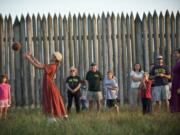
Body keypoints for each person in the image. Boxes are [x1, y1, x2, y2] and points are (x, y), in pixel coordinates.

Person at [23, 51, 68, 122]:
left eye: (53, 55)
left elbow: (37, 66)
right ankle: (59, 116)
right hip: (49, 85)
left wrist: (28, 58)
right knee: (53, 100)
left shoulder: (52, 66)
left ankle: (53, 118)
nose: (51, 55)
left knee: (51, 100)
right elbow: (39, 63)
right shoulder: (51, 65)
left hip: (49, 86)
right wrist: (32, 56)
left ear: (55, 58)